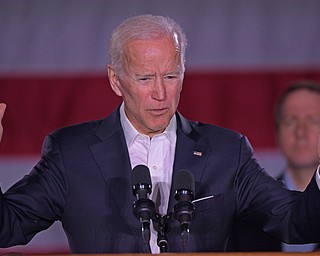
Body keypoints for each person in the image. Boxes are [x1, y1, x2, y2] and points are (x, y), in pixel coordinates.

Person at [1, 14, 320, 254]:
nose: (160, 94)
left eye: (170, 76)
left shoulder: (226, 151)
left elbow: (296, 222)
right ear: (116, 80)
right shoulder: (72, 153)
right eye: (144, 78)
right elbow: (8, 226)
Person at [227, 81, 320, 252]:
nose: (300, 132)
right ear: (277, 132)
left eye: (312, 120)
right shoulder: (247, 211)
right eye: (291, 121)